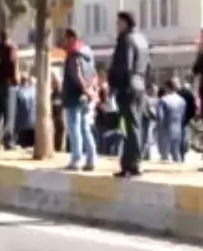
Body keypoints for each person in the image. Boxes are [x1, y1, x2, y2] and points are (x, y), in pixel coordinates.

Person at [107, 11, 150, 177]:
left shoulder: (126, 40)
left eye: (118, 23)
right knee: (135, 125)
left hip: (128, 87)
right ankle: (132, 162)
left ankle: (131, 164)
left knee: (128, 127)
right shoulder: (142, 40)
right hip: (139, 86)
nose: (117, 27)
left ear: (125, 23)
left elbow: (123, 66)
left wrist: (114, 85)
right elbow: (147, 66)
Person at [61, 27, 97, 170]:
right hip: (85, 97)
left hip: (74, 96)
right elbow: (93, 74)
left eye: (65, 38)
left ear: (71, 38)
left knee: (74, 128)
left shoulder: (73, 55)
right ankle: (91, 158)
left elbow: (76, 75)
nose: (64, 41)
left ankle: (76, 159)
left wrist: (85, 89)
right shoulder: (88, 54)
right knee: (85, 128)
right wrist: (91, 91)